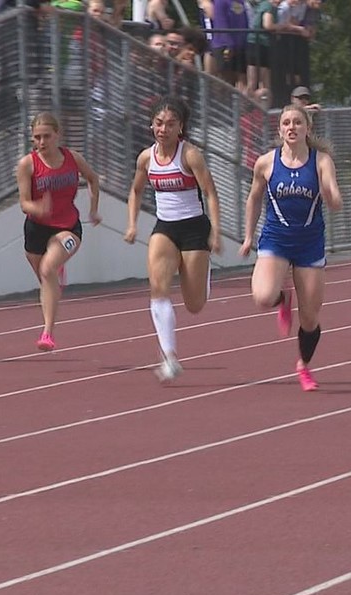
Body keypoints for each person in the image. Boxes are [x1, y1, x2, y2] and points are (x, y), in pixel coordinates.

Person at [240, 103, 343, 390]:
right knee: (262, 297)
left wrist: (332, 196)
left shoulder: (320, 161)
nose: (292, 127)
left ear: (307, 128)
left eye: (298, 122)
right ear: (280, 129)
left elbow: (334, 197)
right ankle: (282, 299)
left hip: (309, 243)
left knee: (309, 318)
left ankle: (303, 366)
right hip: (276, 239)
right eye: (286, 123)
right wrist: (249, 236)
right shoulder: (266, 162)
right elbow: (254, 199)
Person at [125, 96, 222, 382]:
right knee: (158, 287)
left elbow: (211, 194)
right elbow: (136, 191)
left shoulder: (190, 155)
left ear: (180, 127)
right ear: (151, 125)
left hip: (194, 228)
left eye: (169, 124)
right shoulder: (146, 158)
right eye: (158, 123)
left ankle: (203, 275)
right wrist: (132, 224)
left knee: (194, 304)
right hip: (165, 228)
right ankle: (170, 357)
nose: (163, 129)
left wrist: (214, 231)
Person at [15, 112, 102, 351]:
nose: (42, 142)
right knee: (46, 279)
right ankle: (56, 275)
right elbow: (24, 202)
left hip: (68, 228)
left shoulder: (73, 158)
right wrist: (38, 207)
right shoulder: (27, 164)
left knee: (48, 269)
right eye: (37, 138)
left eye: (46, 137)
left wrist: (93, 210)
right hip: (36, 229)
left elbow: (93, 179)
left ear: (57, 135)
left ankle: (47, 333)